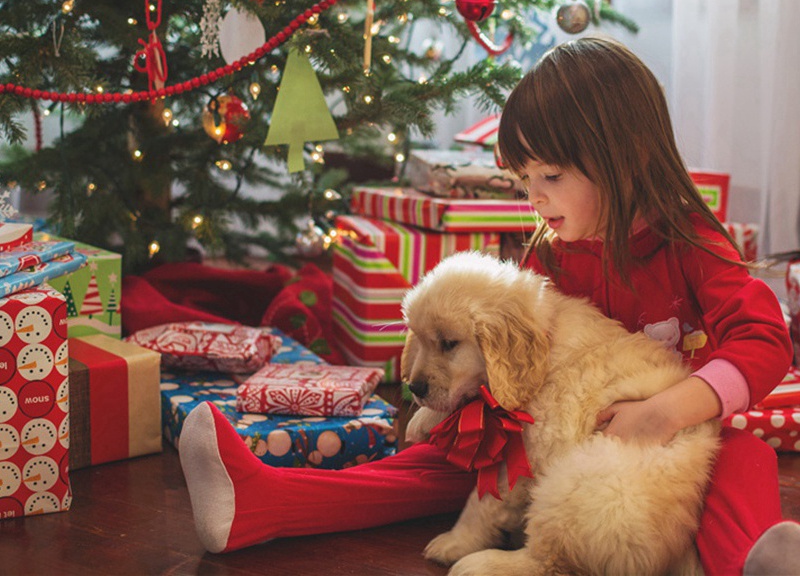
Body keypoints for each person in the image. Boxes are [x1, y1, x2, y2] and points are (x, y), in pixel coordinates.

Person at [178, 36, 798, 575]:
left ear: (622, 159)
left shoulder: (689, 241)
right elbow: (509, 370)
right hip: (547, 441)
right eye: (523, 180)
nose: (534, 198)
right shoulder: (550, 253)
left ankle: (752, 563)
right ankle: (266, 500)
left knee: (744, 459)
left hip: (665, 452)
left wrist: (663, 413)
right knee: (447, 462)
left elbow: (765, 340)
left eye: (549, 177)